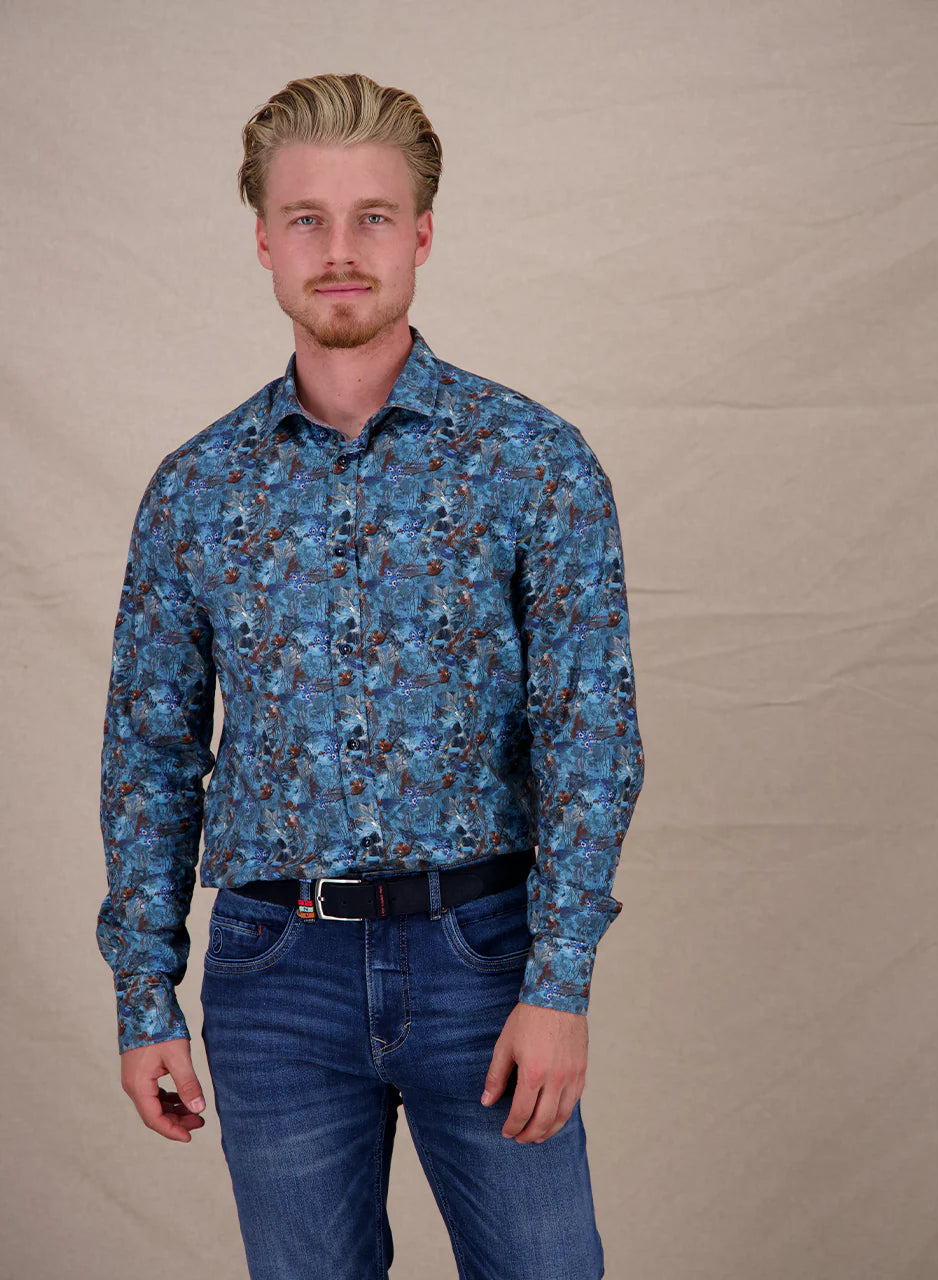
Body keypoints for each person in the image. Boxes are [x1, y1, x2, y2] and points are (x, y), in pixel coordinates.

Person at [96, 72, 644, 1280]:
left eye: (372, 217)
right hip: (274, 975)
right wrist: (145, 993)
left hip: (484, 958)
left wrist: (558, 981)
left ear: (423, 234)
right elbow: (150, 751)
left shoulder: (532, 461)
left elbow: (591, 733)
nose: (339, 250)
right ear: (264, 240)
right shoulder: (198, 488)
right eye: (307, 218)